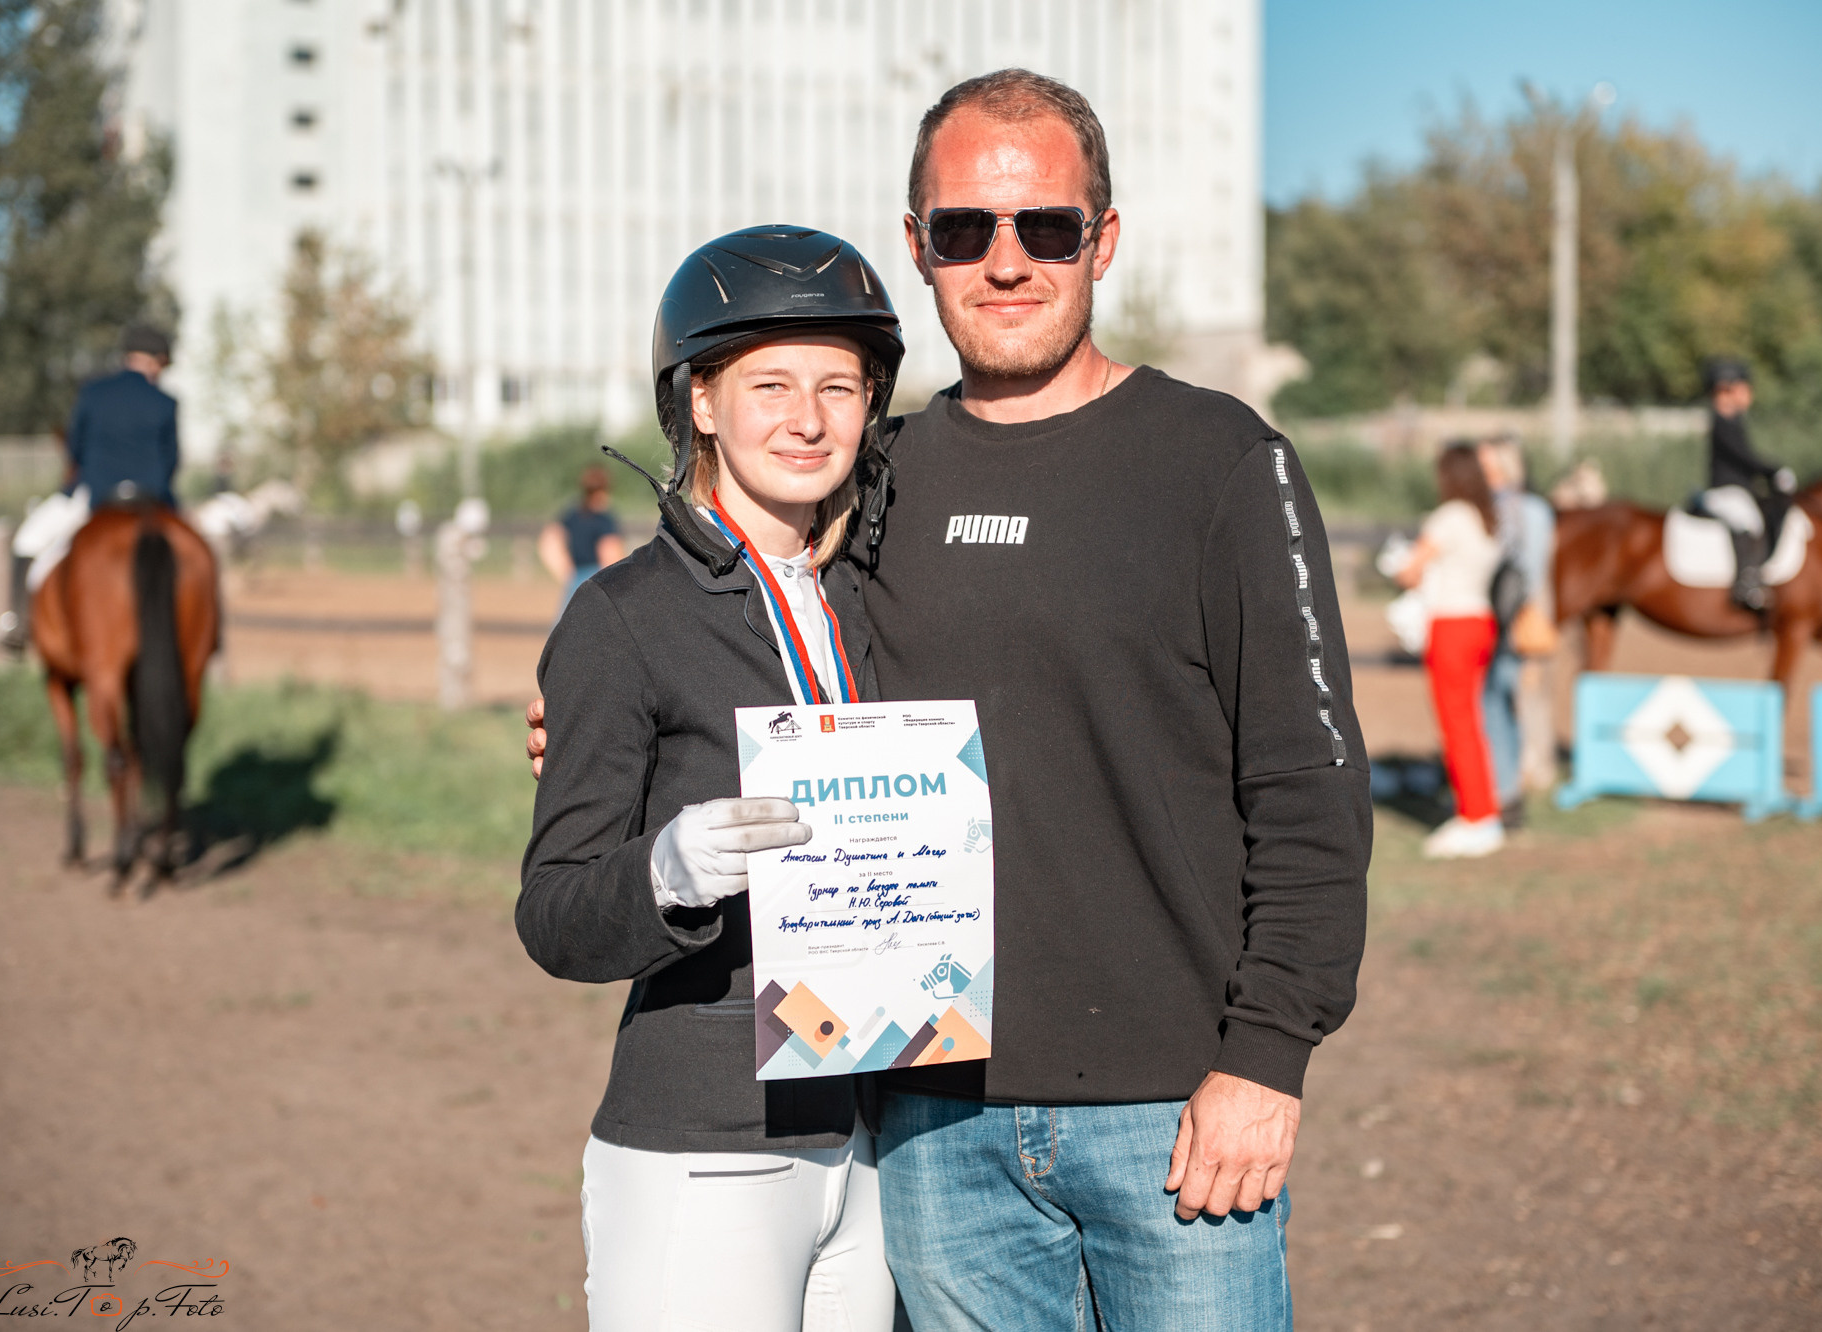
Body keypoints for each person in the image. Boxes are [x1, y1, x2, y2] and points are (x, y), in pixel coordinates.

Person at [531, 69, 1370, 1332]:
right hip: (927, 1128)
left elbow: (1308, 788)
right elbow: (731, 639)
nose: (1008, 261)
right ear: (917, 246)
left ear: (1103, 240)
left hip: (1174, 1115)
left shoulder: (1219, 461)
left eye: (1046, 227)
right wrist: (588, 724)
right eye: (967, 230)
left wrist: (1266, 1055)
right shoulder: (882, 478)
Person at [518, 226, 904, 1332]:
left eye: (840, 385)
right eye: (768, 383)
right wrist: (670, 870)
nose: (807, 417)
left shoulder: (874, 599)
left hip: (876, 1144)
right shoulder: (619, 617)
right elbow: (553, 916)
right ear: (698, 402)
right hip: (707, 1149)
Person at [0, 323, 179, 650]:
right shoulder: (166, 403)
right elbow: (172, 463)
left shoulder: (93, 393)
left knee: (28, 540)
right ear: (155, 361)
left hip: (94, 496)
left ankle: (17, 624)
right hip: (153, 502)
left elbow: (75, 450)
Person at [1394, 443, 1504, 859]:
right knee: (1471, 723)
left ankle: (1475, 818)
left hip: (1452, 625)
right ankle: (1481, 810)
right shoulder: (1485, 516)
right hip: (1480, 621)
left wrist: (1401, 567)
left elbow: (1411, 569)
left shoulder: (1451, 516)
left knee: (1456, 724)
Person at [1476, 435, 1556, 822]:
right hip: (1511, 616)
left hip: (1508, 618)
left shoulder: (1513, 510)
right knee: (1502, 702)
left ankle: (1505, 789)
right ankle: (1508, 788)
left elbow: (1524, 571)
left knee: (1497, 702)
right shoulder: (1532, 509)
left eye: (1488, 466)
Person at [1698, 357, 1796, 611]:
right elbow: (1743, 457)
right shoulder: (1722, 422)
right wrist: (1773, 471)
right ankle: (1747, 584)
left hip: (1738, 489)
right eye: (1744, 387)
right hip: (1725, 491)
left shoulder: (1733, 421)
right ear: (1727, 388)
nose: (1748, 393)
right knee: (1748, 521)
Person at [537, 465, 626, 618]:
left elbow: (548, 542)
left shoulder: (572, 514)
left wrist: (567, 573)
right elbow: (610, 555)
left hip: (576, 579)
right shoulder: (604, 519)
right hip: (598, 577)